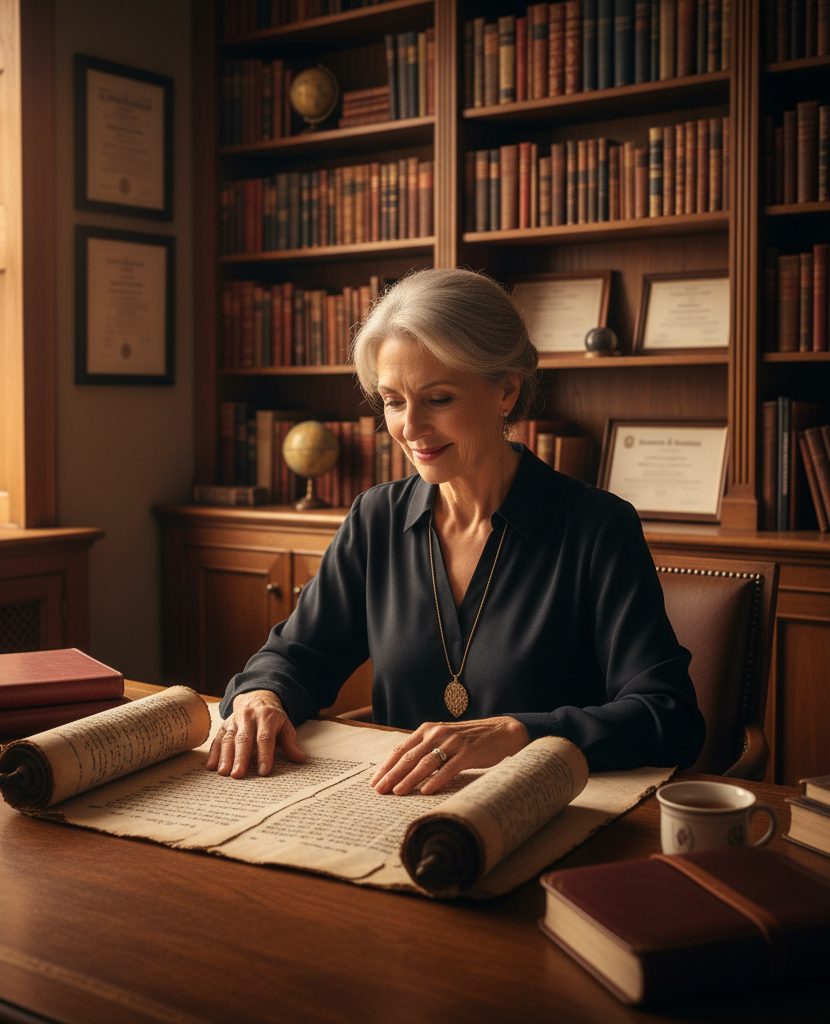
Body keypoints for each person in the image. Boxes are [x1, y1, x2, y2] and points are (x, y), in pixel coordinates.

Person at [205, 267, 705, 795]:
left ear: (506, 390)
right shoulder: (376, 519)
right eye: (394, 401)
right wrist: (262, 697)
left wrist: (519, 733)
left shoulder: (598, 527)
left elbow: (667, 715)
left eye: (438, 399)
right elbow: (292, 659)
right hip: (392, 812)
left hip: (545, 814)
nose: (410, 428)